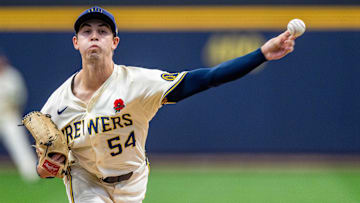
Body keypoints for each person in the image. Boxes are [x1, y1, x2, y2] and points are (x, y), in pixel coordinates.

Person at [39, 6, 296, 203]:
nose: (94, 36)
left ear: (114, 42)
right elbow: (44, 168)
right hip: (86, 180)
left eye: (102, 31)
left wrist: (261, 54)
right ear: (76, 42)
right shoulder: (55, 106)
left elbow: (207, 78)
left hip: (132, 182)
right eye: (87, 31)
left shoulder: (138, 83)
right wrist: (46, 167)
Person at [0, 49, 39, 182]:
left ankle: (31, 174)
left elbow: (20, 97)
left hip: (8, 116)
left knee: (19, 144)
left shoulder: (12, 76)